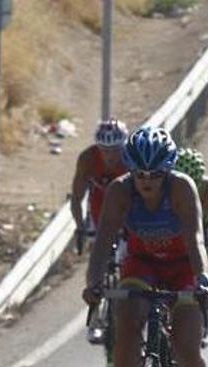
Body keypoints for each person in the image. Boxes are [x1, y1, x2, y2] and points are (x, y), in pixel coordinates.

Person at [82, 126, 208, 367]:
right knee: (125, 327)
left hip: (183, 267)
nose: (146, 182)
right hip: (142, 266)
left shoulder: (182, 189)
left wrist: (203, 280)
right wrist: (94, 282)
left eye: (155, 175)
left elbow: (196, 240)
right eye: (139, 174)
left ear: (167, 171)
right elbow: (102, 244)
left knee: (187, 345)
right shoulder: (120, 191)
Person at [69, 119, 130, 344]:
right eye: (105, 150)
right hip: (98, 212)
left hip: (126, 213)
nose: (110, 156)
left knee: (129, 257)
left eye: (115, 150)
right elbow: (76, 197)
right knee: (97, 258)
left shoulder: (131, 159)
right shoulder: (87, 159)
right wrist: (81, 227)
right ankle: (95, 314)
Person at [172, 147, 208, 348]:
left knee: (207, 262)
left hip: (203, 228)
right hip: (179, 230)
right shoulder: (172, 188)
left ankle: (206, 316)